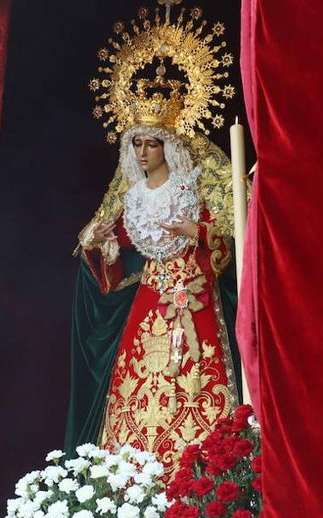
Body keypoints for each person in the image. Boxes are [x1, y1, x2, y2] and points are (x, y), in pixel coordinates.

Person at [65, 7, 240, 474]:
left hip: (196, 300)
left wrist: (197, 233)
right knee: (138, 387)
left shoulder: (192, 189)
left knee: (197, 384)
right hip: (150, 303)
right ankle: (136, 488)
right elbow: (114, 262)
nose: (143, 153)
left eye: (152, 143)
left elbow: (227, 246)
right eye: (137, 144)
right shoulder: (135, 199)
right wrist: (99, 242)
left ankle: (208, 482)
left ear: (170, 145)